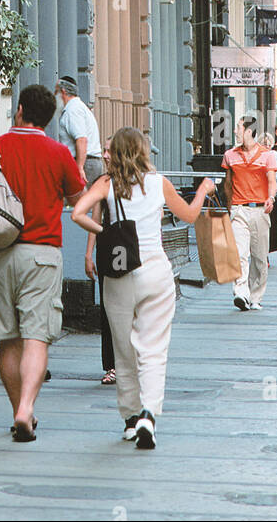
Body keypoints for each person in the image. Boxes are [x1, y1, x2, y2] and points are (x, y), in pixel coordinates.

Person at [0, 83, 85, 443]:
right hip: (42, 253)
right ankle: (27, 407)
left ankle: (18, 412)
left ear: (20, 111)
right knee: (36, 337)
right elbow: (78, 199)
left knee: (8, 339)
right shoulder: (59, 153)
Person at [71, 126, 214, 450]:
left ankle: (130, 419)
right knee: (153, 348)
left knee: (123, 350)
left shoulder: (106, 184)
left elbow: (77, 213)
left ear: (116, 153)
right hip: (155, 272)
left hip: (120, 275)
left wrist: (103, 231)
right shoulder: (159, 183)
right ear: (142, 151)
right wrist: (203, 189)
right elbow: (190, 216)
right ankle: (150, 413)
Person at [221, 115, 277, 312]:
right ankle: (241, 293)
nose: (235, 131)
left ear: (248, 131)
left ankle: (255, 297)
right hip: (239, 209)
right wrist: (230, 207)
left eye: (238, 128)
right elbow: (227, 183)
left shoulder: (267, 155)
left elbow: (272, 181)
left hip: (260, 210)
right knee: (240, 254)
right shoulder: (230, 155)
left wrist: (270, 198)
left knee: (260, 257)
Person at [82, 144, 116, 386]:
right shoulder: (103, 182)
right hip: (108, 247)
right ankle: (111, 365)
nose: (104, 155)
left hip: (128, 248)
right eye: (103, 149)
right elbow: (94, 216)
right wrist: (88, 253)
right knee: (108, 308)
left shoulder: (138, 180)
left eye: (110, 150)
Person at [55, 75, 103, 185]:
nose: (54, 96)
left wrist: (79, 168)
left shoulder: (73, 110)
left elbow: (81, 139)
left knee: (78, 200)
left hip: (85, 163)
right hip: (89, 162)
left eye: (56, 91)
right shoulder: (79, 107)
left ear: (63, 92)